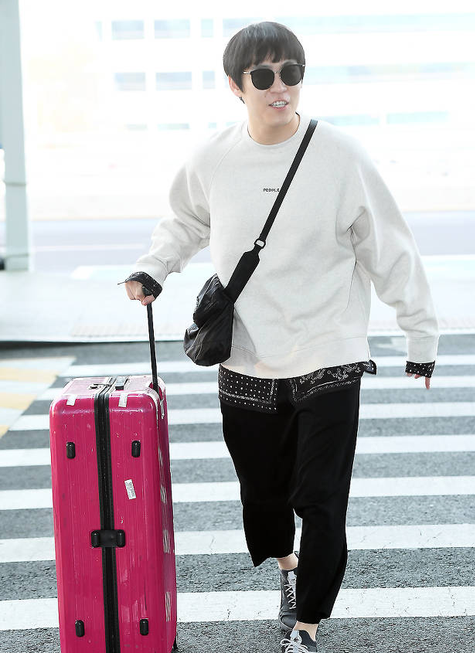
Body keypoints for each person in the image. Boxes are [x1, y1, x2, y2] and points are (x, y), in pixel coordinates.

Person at [123, 21, 439, 653]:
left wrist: (420, 337)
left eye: (291, 73)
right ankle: (287, 565)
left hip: (329, 350)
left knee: (321, 497)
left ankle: (308, 624)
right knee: (263, 494)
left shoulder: (341, 156)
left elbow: (389, 248)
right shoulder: (213, 158)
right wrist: (152, 269)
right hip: (247, 356)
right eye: (264, 76)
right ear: (235, 86)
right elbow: (184, 222)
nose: (280, 87)